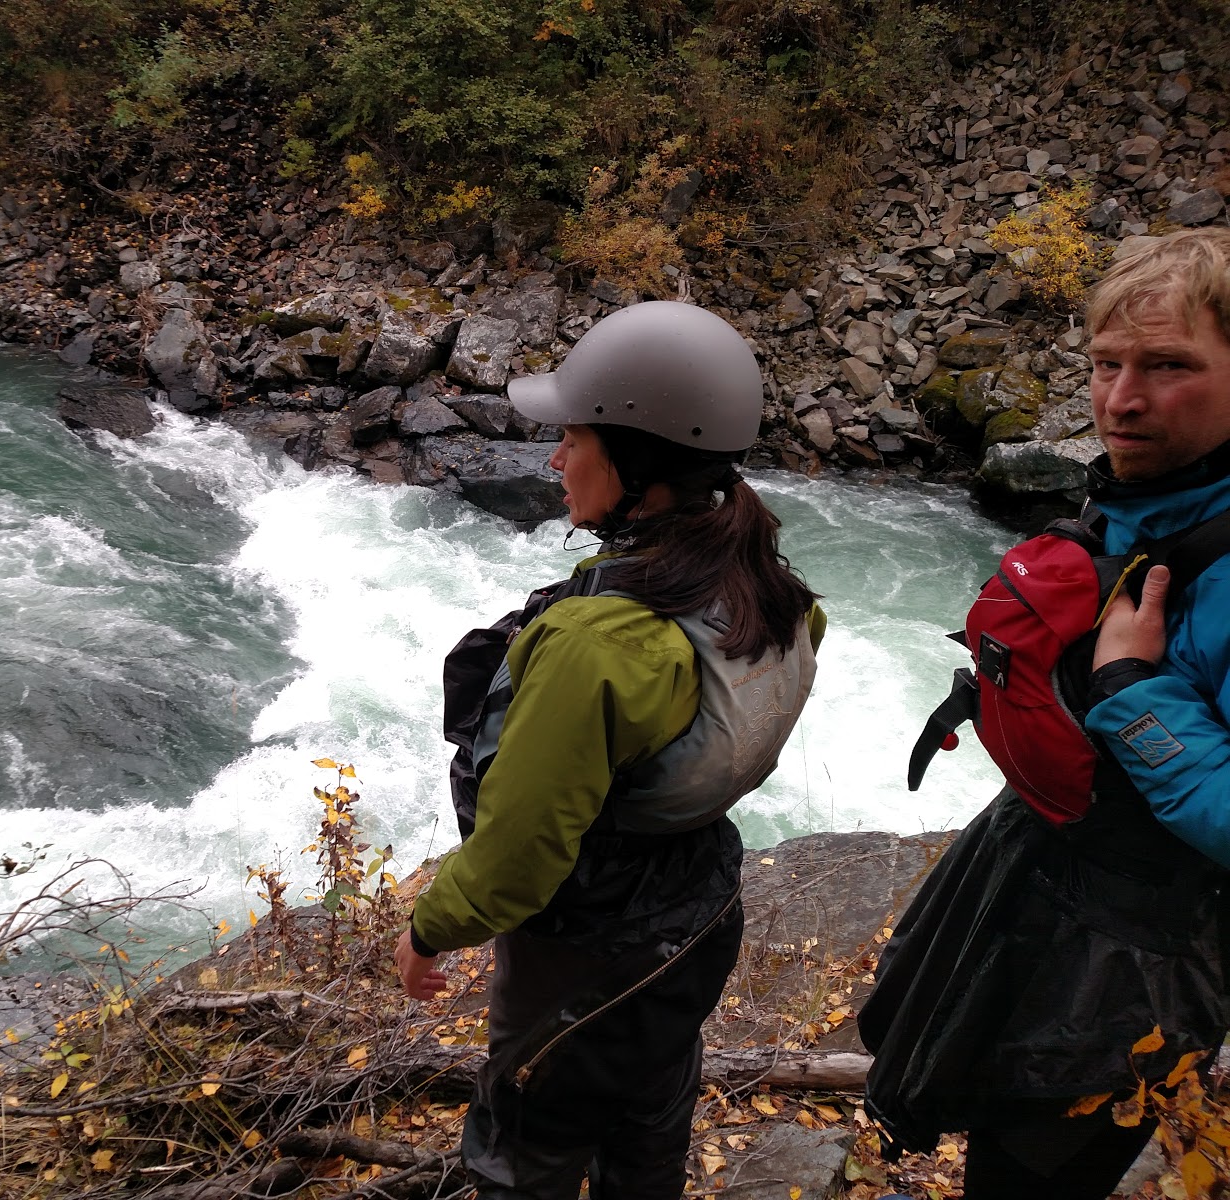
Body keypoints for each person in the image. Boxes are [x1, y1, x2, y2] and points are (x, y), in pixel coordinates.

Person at [392, 300, 826, 1199]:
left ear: (641, 470)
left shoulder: (597, 644)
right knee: (647, 1128)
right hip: (696, 914)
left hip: (587, 959)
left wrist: (428, 931)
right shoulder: (768, 584)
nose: (555, 459)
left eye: (574, 439)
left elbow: (521, 859)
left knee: (527, 1155)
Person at [860, 227, 1230, 1199]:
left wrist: (1133, 694)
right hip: (1042, 875)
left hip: (1142, 948)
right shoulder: (1151, 501)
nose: (1121, 399)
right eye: (1106, 364)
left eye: (1168, 367)